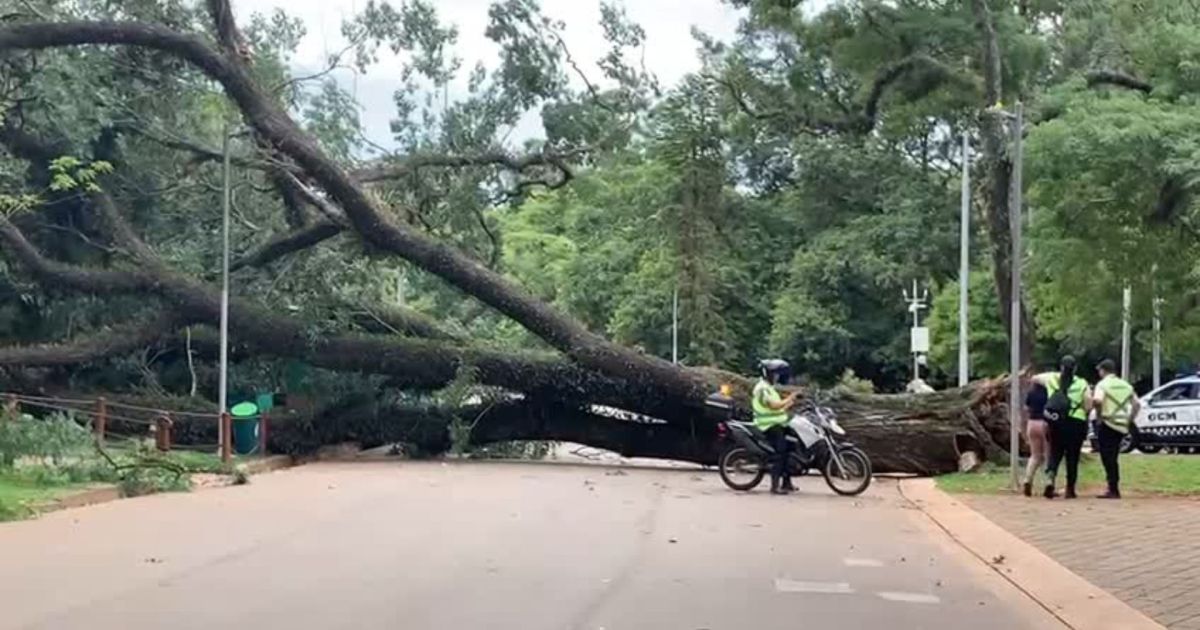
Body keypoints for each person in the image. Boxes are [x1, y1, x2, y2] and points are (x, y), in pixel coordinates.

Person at [1035, 356, 1091, 499]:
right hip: (1076, 422)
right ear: (1075, 368)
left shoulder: (1052, 379)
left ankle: (1050, 478)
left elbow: (1034, 378)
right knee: (1072, 456)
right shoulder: (1081, 383)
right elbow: (1088, 404)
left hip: (1056, 422)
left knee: (1054, 452)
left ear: (1061, 367)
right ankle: (1070, 489)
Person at [1092, 359, 1140, 499]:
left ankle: (1113, 488)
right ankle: (1113, 486)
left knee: (1107, 456)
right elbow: (1137, 404)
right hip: (1121, 424)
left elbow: (1098, 401)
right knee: (1113, 455)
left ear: (1103, 370)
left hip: (1107, 423)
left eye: (1099, 370)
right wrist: (1130, 419)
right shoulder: (1126, 385)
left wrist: (1099, 415)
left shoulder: (1102, 385)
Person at [753, 359, 798, 495]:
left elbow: (778, 406)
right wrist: (789, 399)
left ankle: (787, 482)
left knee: (791, 447)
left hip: (779, 423)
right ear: (767, 373)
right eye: (774, 374)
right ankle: (774, 486)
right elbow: (773, 406)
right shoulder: (762, 388)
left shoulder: (769, 387)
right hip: (767, 425)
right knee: (781, 452)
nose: (777, 376)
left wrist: (789, 402)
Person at [1022, 377, 1050, 497]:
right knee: (1048, 456)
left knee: (1034, 456)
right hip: (1045, 423)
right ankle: (1048, 482)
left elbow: (1026, 408)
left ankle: (1027, 480)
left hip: (1032, 424)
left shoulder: (1031, 393)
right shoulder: (1049, 393)